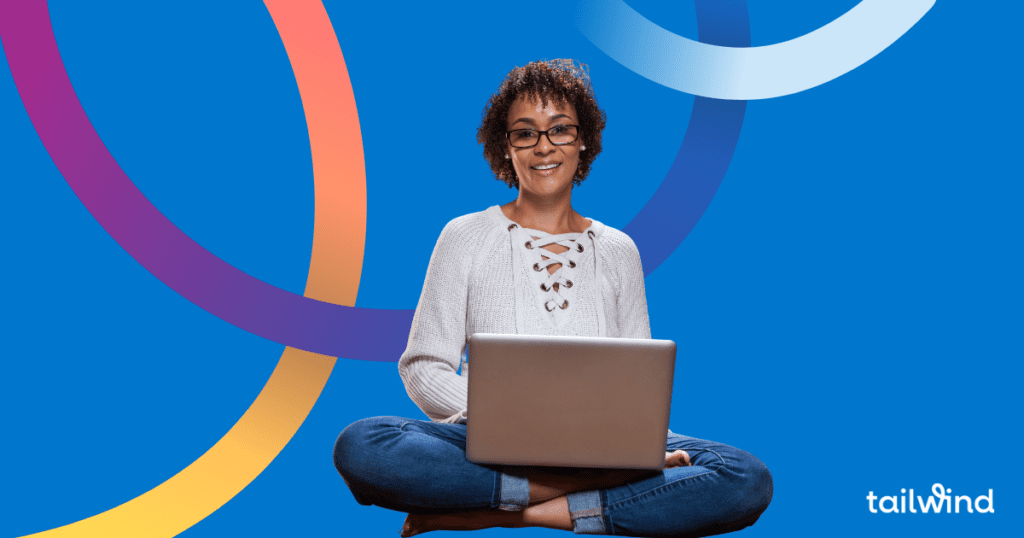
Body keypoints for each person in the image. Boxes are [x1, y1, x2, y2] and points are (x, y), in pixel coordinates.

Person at [333, 59, 772, 537]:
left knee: (745, 477)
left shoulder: (619, 249)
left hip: (605, 442)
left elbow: (638, 381)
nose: (544, 146)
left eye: (559, 130)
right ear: (507, 147)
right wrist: (504, 418)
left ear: (583, 140)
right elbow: (423, 365)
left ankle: (500, 510)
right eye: (525, 133)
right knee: (363, 444)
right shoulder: (463, 236)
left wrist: (624, 441)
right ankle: (606, 489)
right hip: (486, 439)